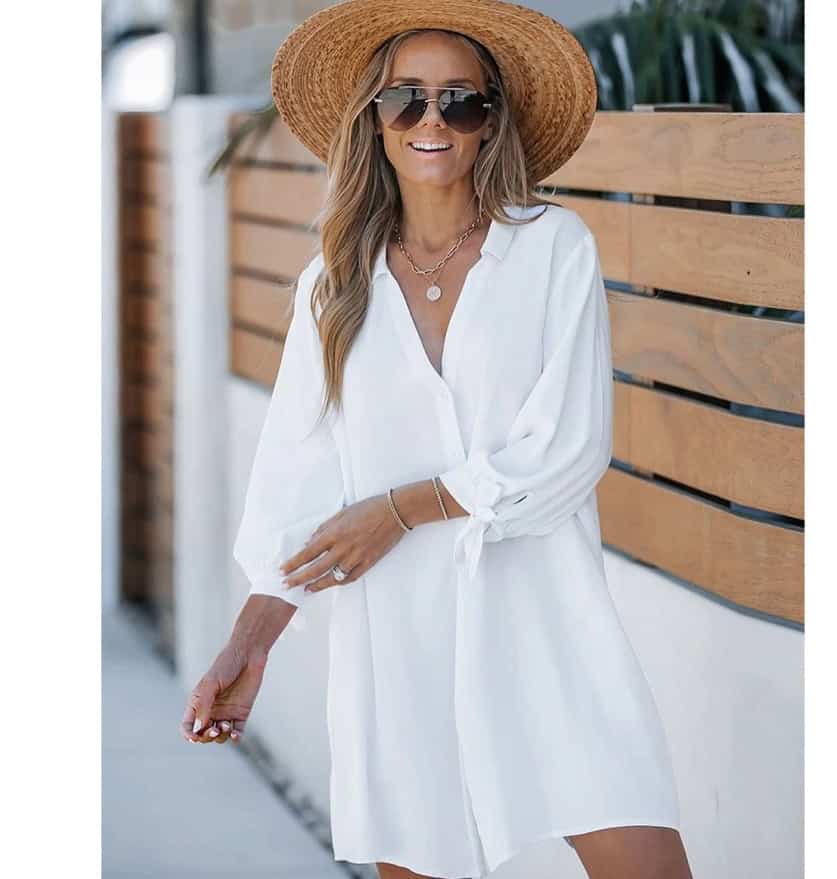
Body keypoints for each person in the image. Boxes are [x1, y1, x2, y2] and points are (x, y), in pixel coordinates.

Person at [180, 2, 694, 878]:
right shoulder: (332, 283)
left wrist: (404, 507)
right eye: (404, 99)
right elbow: (296, 475)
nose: (432, 121)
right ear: (371, 121)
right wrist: (253, 636)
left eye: (461, 100)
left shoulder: (553, 250)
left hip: (546, 620)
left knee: (642, 856)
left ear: (492, 120)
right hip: (401, 631)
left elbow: (569, 449)